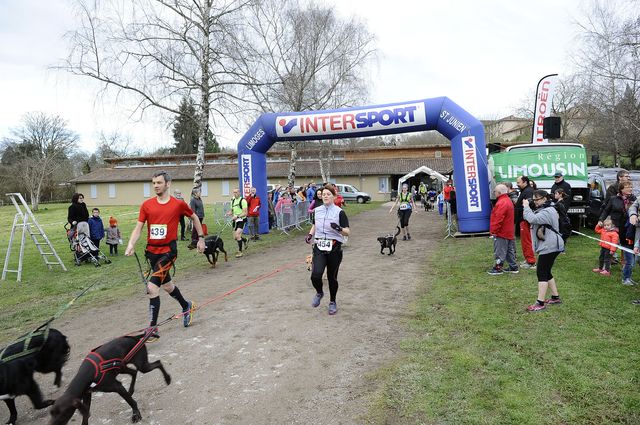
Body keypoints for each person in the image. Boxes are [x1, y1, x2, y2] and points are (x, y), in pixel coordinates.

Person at [125, 171, 203, 337]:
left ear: (168, 184)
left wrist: (201, 239)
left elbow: (195, 218)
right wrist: (131, 244)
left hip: (168, 252)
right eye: (154, 183)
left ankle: (152, 329)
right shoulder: (147, 205)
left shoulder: (178, 204)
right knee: (167, 286)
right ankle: (186, 305)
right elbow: (138, 228)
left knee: (152, 288)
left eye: (159, 183)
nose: (156, 186)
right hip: (151, 253)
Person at [304, 185, 350, 315]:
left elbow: (347, 232)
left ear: (334, 197)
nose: (325, 196)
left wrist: (338, 229)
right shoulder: (317, 210)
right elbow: (315, 224)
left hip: (334, 248)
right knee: (315, 275)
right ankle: (319, 292)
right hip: (319, 246)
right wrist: (310, 234)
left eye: (328, 194)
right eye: (323, 194)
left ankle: (332, 302)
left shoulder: (339, 212)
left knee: (331, 277)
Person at [523, 190, 565, 311]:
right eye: (534, 200)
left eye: (537, 199)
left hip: (550, 246)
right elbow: (531, 217)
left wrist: (526, 207)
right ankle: (555, 297)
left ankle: (540, 303)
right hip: (551, 245)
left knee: (541, 272)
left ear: (544, 198)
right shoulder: (547, 208)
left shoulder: (548, 210)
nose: (535, 202)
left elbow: (532, 219)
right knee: (546, 271)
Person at [598, 181, 637, 285]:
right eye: (627, 187)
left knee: (626, 248)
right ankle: (605, 266)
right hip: (614, 227)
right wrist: (601, 220)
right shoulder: (613, 199)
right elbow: (606, 210)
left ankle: (625, 268)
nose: (630, 189)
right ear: (621, 189)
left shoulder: (634, 199)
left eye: (631, 187)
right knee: (609, 248)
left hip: (627, 229)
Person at [487, 184, 519, 275]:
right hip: (508, 230)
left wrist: (494, 231)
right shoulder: (507, 200)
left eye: (495, 191)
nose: (494, 193)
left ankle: (498, 268)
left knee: (500, 250)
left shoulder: (501, 202)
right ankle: (513, 266)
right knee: (509, 250)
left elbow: (498, 218)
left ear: (499, 192)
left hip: (502, 231)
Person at [515, 175, 536, 269]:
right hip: (523, 219)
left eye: (518, 182)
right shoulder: (525, 191)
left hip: (525, 220)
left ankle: (531, 261)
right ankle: (528, 259)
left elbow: (529, 204)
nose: (517, 184)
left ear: (525, 182)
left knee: (526, 241)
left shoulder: (528, 191)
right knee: (525, 241)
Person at [227, 188, 249, 257]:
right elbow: (232, 211)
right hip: (235, 220)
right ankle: (245, 240)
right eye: (234, 192)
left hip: (242, 220)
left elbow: (245, 213)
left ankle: (240, 252)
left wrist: (237, 216)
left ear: (239, 193)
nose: (235, 194)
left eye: (236, 192)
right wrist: (229, 213)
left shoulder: (243, 201)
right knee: (235, 237)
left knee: (237, 235)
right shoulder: (233, 201)